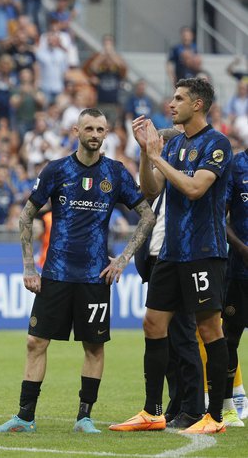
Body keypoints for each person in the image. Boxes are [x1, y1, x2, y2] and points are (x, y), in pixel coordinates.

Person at [0, 108, 155, 434]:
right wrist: (28, 266)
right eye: (89, 128)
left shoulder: (116, 173)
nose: (95, 134)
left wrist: (122, 259)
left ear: (106, 134)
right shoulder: (56, 170)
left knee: (93, 347)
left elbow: (147, 215)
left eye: (101, 129)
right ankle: (24, 416)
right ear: (76, 130)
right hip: (55, 274)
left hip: (95, 276)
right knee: (36, 342)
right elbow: (26, 216)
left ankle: (84, 417)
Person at [110, 77, 233, 434]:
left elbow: (195, 189)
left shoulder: (217, 144)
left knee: (209, 329)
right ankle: (152, 411)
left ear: (197, 104)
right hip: (171, 252)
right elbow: (151, 191)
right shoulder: (175, 144)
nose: (171, 103)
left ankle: (215, 417)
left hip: (204, 252)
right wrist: (145, 158)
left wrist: (155, 157)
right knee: (153, 324)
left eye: (178, 98)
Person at [133, 128, 206, 429]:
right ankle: (176, 404)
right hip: (156, 260)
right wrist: (144, 154)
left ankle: (193, 406)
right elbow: (146, 191)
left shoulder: (184, 174)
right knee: (167, 339)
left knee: (184, 335)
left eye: (159, 146)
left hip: (179, 258)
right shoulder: (160, 174)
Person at [221, 145, 248, 425]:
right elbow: (221, 215)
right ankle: (228, 406)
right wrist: (241, 249)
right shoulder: (236, 166)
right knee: (230, 338)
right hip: (239, 272)